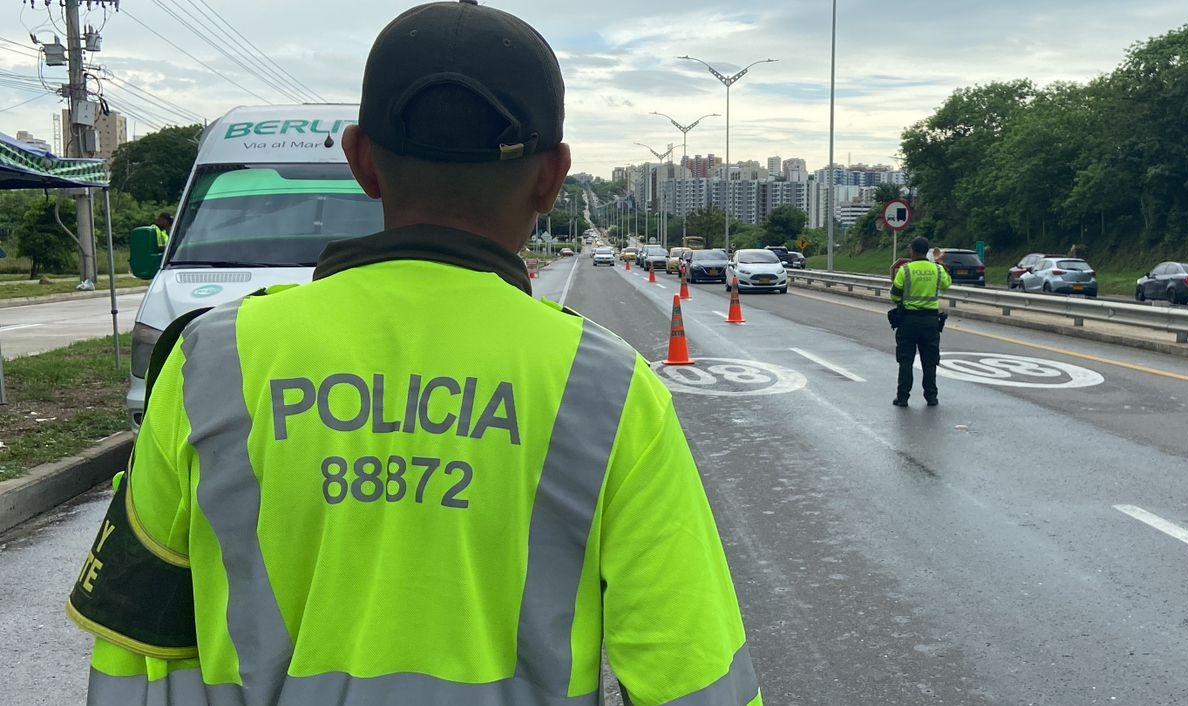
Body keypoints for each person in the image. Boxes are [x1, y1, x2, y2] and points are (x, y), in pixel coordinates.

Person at [66, 3, 760, 705]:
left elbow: (131, 655)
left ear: (361, 160)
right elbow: (696, 684)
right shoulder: (611, 394)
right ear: (552, 178)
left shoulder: (207, 364)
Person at [890, 237, 952, 407]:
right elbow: (947, 284)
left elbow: (894, 294)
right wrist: (940, 265)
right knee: (930, 361)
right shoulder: (937, 270)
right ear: (927, 252)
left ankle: (902, 397)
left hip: (909, 321)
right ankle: (931, 397)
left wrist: (903, 301)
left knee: (905, 361)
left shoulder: (906, 270)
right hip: (931, 321)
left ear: (913, 251)